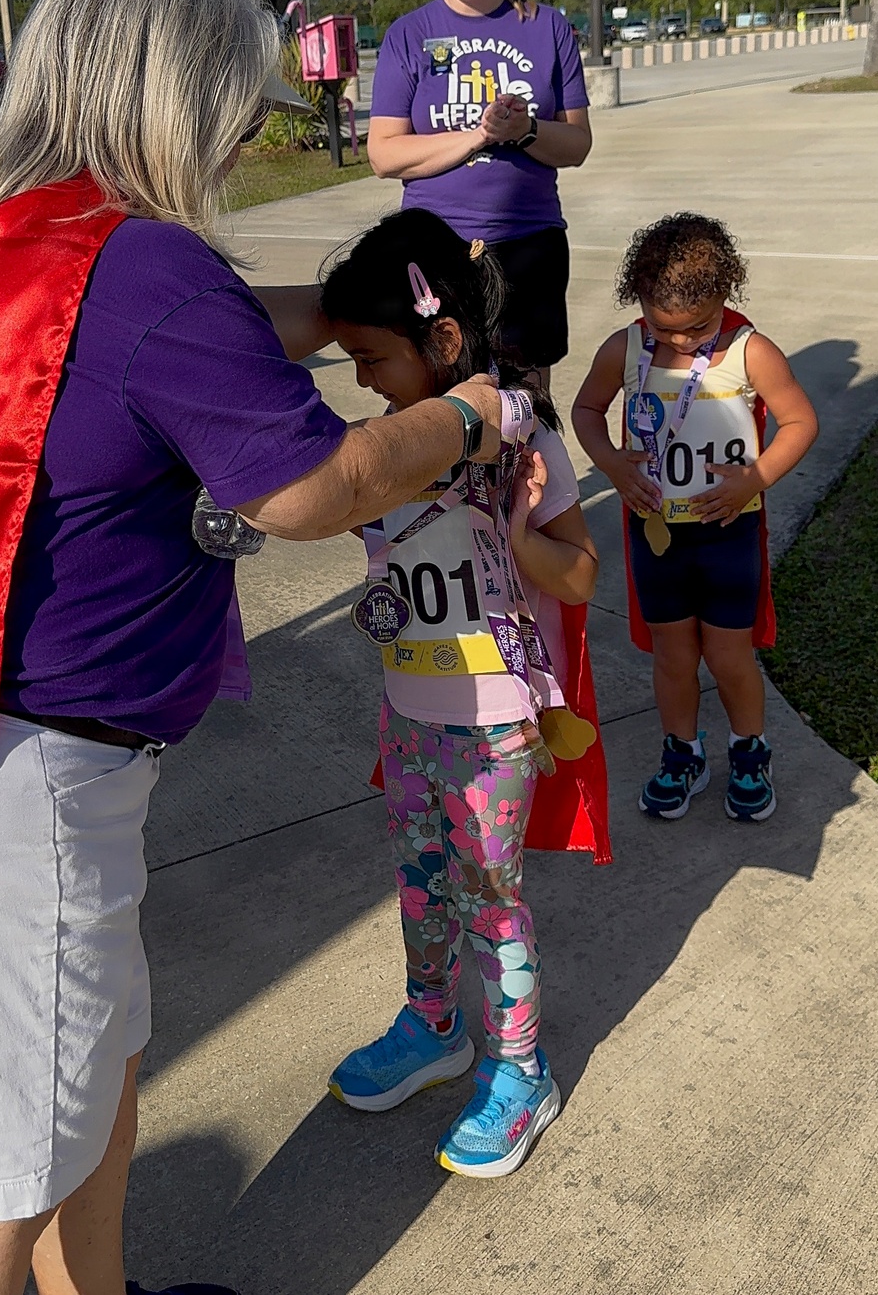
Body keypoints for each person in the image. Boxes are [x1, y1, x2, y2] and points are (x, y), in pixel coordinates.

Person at [0, 0, 507, 1295]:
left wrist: (332, 307)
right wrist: (462, 416)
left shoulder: (12, 222)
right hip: (44, 780)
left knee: (100, 1058)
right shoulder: (147, 264)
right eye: (235, 97)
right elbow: (312, 487)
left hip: (16, 747)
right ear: (173, 92)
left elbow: (171, 338)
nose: (245, 124)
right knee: (13, 1153)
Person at [319, 208, 609, 1179]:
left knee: (491, 896)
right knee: (419, 884)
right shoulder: (385, 449)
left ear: (443, 341)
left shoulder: (526, 450)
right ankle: (432, 1021)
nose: (359, 376)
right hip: (408, 716)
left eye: (371, 354)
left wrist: (524, 535)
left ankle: (519, 1068)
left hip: (493, 727)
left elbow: (580, 576)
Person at [572, 213, 817, 823]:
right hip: (656, 533)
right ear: (641, 303)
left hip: (727, 530)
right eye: (664, 326)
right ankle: (683, 752)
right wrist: (612, 464)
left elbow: (800, 422)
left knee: (732, 657)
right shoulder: (624, 348)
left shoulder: (749, 350)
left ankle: (749, 749)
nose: (680, 341)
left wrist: (755, 478)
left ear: (725, 297)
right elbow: (585, 409)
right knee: (673, 655)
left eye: (697, 327)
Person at [366, 0, 592, 380]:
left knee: (526, 401)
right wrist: (481, 135)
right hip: (435, 249)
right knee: (441, 401)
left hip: (528, 244)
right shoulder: (408, 34)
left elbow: (577, 143)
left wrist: (525, 129)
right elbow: (383, 154)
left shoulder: (548, 27)